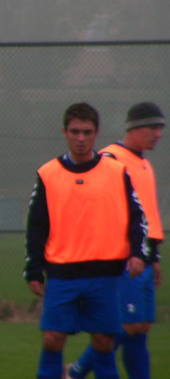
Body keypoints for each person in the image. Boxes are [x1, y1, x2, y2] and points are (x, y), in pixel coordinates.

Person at [24, 102, 148, 379]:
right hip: (61, 274)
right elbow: (36, 226)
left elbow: (136, 216)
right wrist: (33, 268)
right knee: (52, 339)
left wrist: (139, 253)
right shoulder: (48, 174)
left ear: (96, 134)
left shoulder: (116, 171)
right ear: (65, 132)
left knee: (104, 343)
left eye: (87, 132)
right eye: (75, 132)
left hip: (104, 275)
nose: (81, 138)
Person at [66, 102, 165, 379]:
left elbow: (146, 214)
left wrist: (152, 256)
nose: (158, 133)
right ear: (135, 127)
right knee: (127, 326)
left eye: (161, 128)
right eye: (153, 127)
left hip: (143, 257)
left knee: (140, 328)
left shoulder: (143, 163)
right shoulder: (111, 158)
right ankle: (74, 373)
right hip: (122, 257)